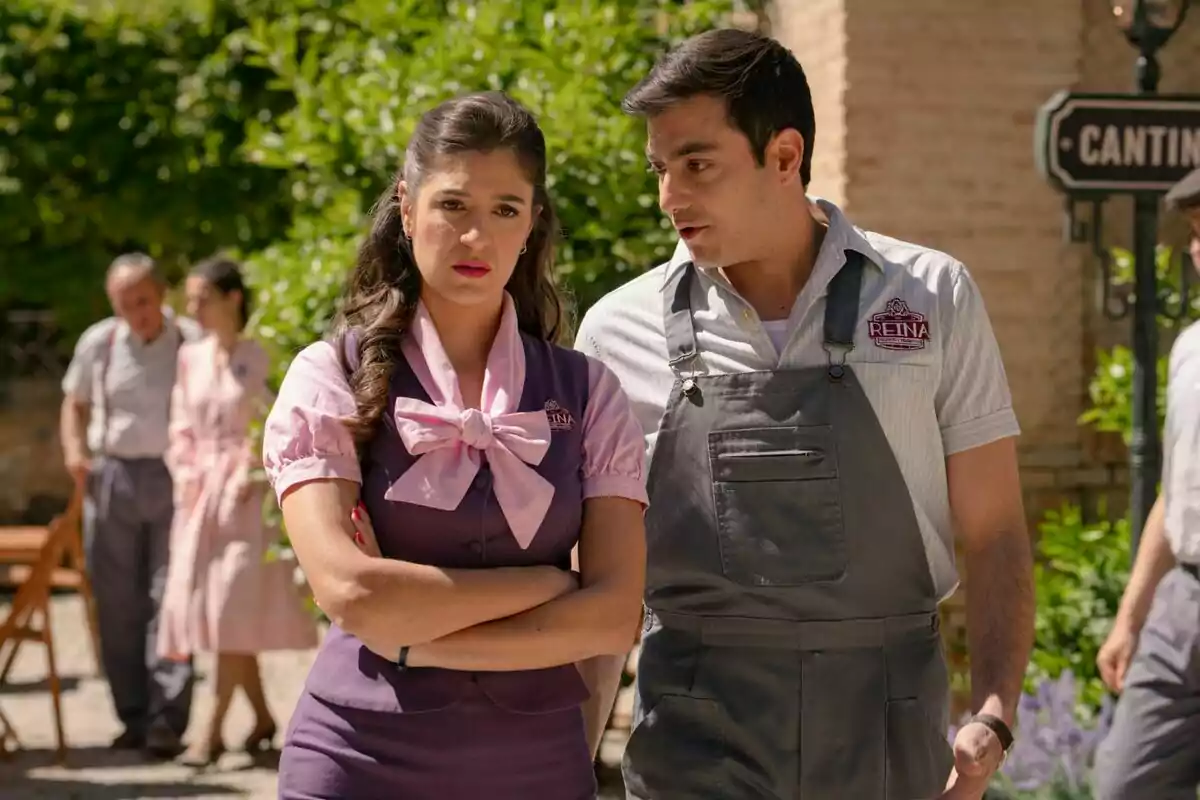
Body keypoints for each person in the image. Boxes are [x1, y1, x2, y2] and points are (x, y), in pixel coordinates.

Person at [575, 29, 1036, 800]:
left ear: (785, 157)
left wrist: (993, 711)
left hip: (889, 735)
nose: (668, 197)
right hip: (694, 741)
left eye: (697, 164)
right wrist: (564, 769)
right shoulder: (616, 333)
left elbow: (995, 533)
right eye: (660, 168)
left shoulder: (930, 296)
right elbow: (600, 588)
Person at [261, 90, 648, 799]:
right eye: (453, 207)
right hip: (355, 757)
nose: (478, 238)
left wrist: (414, 637)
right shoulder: (330, 376)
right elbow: (350, 591)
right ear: (407, 210)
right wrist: (547, 586)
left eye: (505, 210)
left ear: (532, 224)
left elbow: (617, 614)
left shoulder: (591, 392)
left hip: (537, 767)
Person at [156, 255, 319, 768]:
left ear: (233, 299)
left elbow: (277, 421)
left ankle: (208, 730)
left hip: (249, 498)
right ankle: (264, 717)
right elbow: (180, 423)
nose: (193, 308)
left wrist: (252, 468)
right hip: (200, 498)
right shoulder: (191, 357)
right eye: (191, 299)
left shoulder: (263, 354)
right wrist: (187, 475)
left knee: (228, 609)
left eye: (203, 298)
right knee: (215, 613)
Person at [59, 253, 200, 756]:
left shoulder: (190, 340)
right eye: (124, 303)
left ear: (161, 294)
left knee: (169, 597)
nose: (135, 311)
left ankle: (168, 718)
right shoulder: (100, 342)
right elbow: (73, 404)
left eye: (141, 300)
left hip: (174, 475)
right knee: (117, 602)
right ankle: (132, 715)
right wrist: (76, 453)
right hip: (113, 474)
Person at [1093, 168, 1200, 800]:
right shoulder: (1188, 349)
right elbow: (1175, 492)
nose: (1196, 248)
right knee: (1123, 784)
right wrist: (1131, 619)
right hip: (1181, 605)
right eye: (1194, 232)